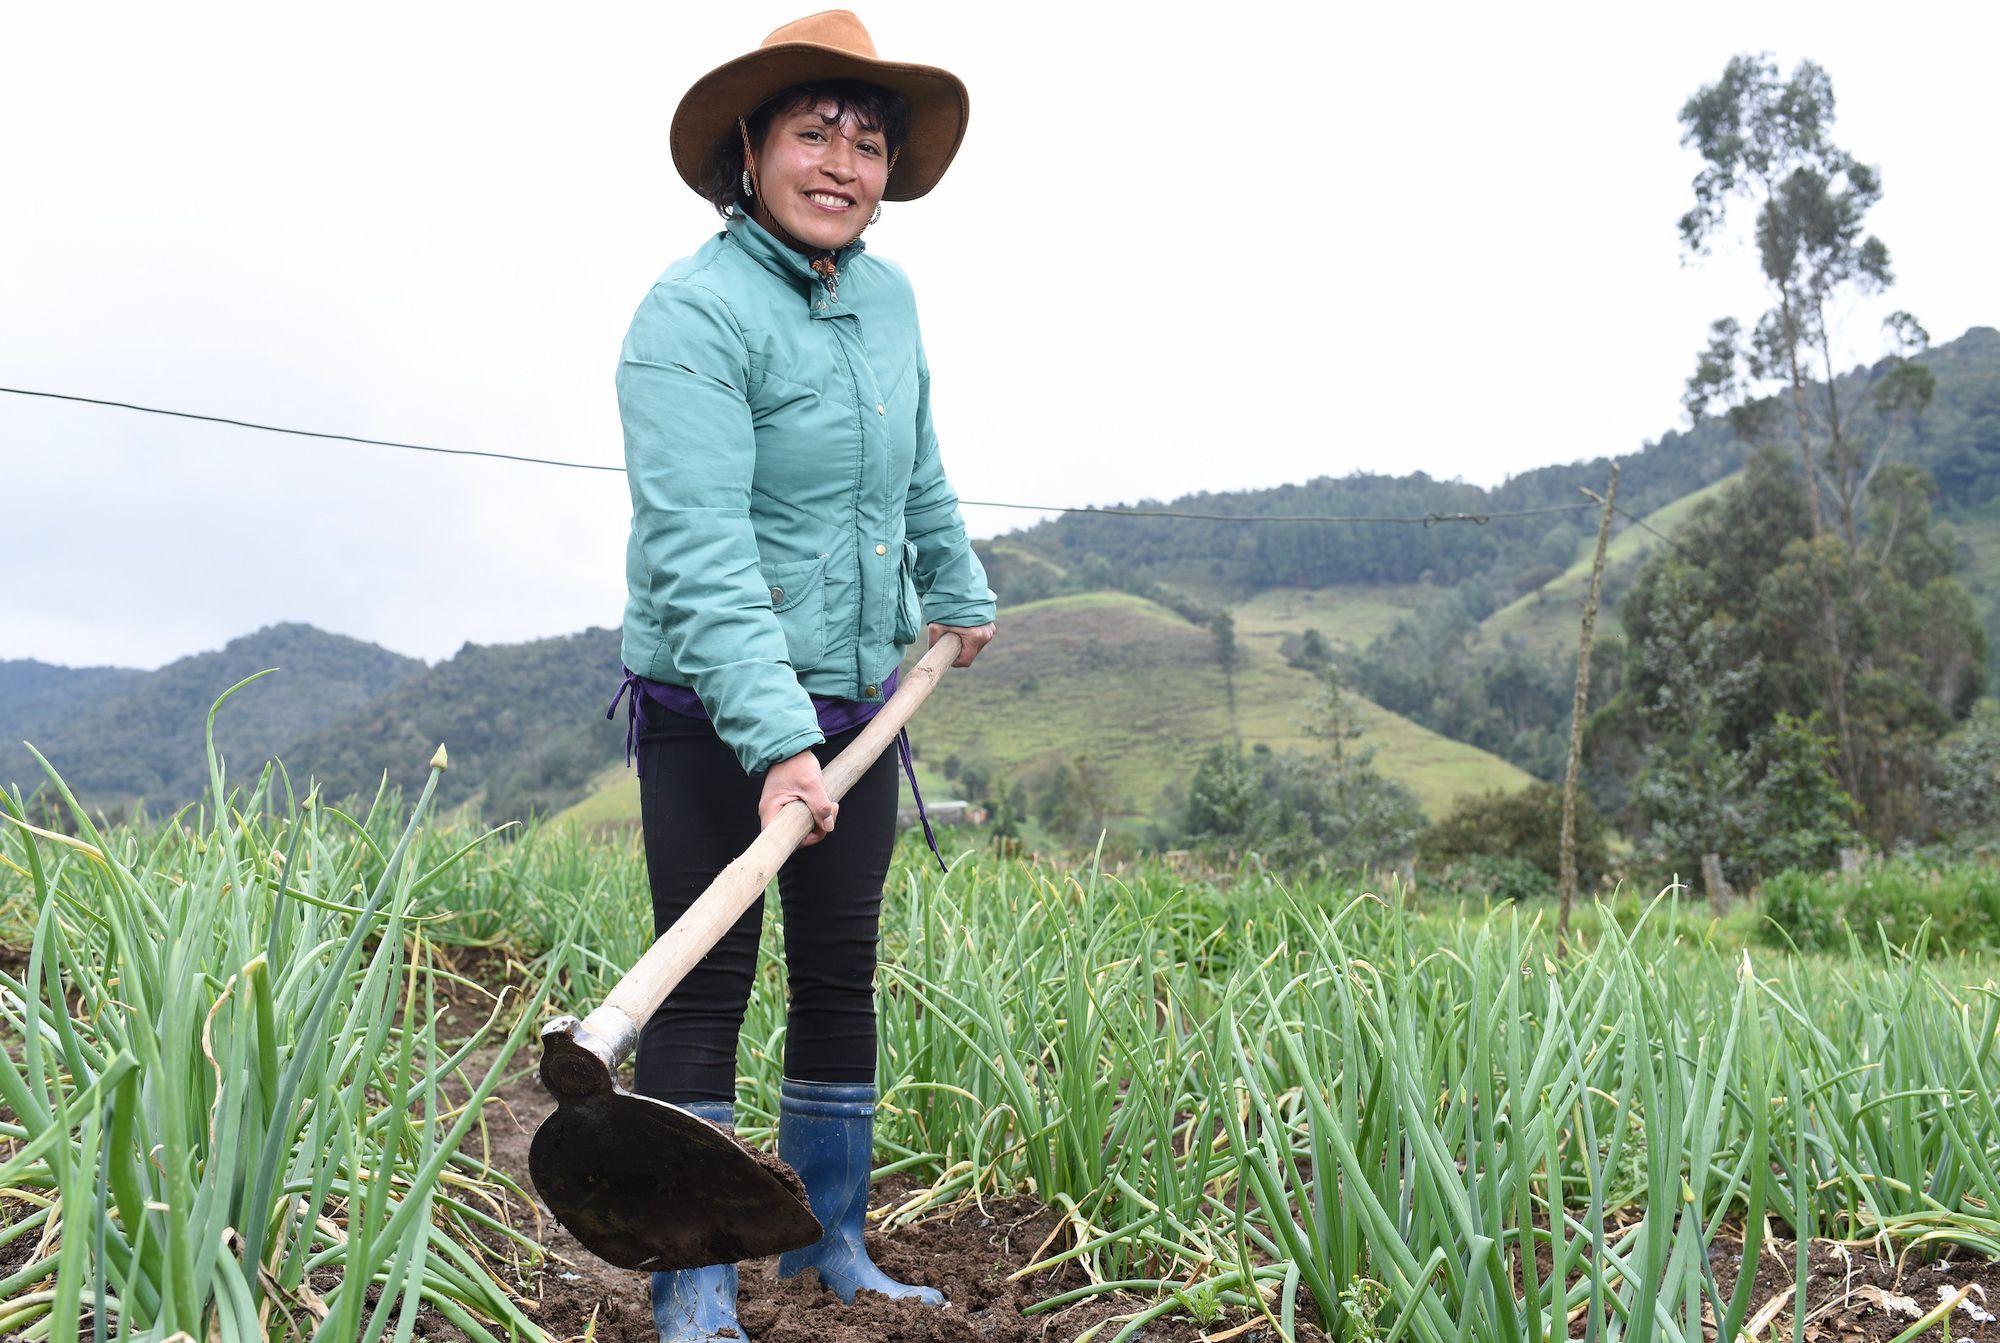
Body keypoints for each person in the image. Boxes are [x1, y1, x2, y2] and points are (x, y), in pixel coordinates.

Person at [606, 11, 995, 1340]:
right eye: (813, 134)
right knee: (707, 976)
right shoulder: (693, 315)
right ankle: (693, 1282)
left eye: (868, 142)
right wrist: (774, 738)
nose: (841, 162)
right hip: (715, 699)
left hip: (861, 695)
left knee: (840, 968)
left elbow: (917, 460)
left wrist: (956, 586)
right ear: (751, 151)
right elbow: (699, 547)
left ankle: (831, 1249)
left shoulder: (886, 301)